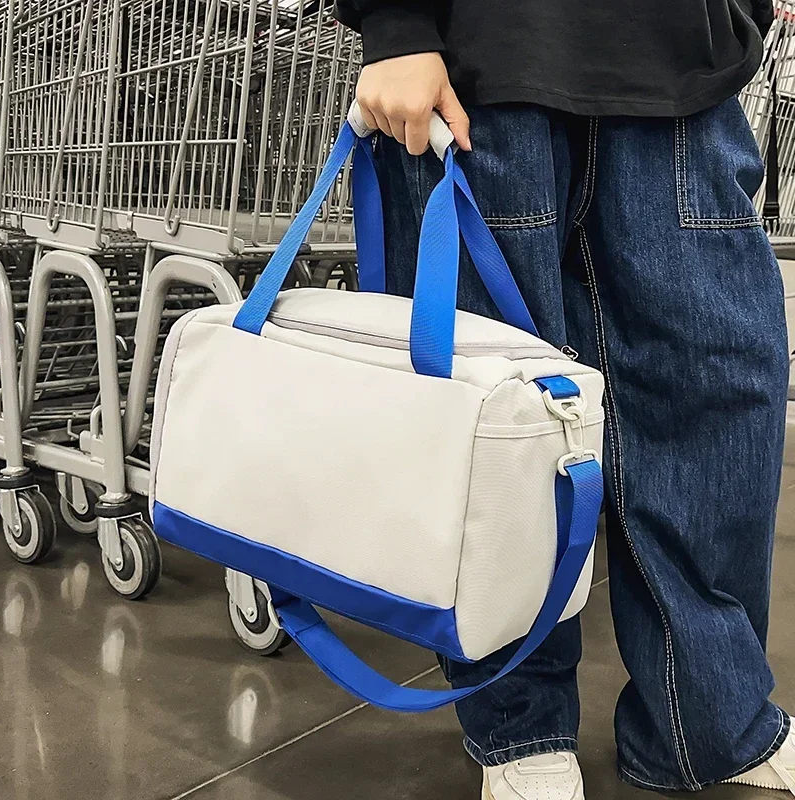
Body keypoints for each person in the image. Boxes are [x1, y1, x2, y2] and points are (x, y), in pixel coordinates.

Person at [334, 1, 795, 798]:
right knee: (498, 426)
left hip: (685, 68)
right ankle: (519, 730)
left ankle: (713, 725)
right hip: (482, 72)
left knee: (717, 397)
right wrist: (398, 23)